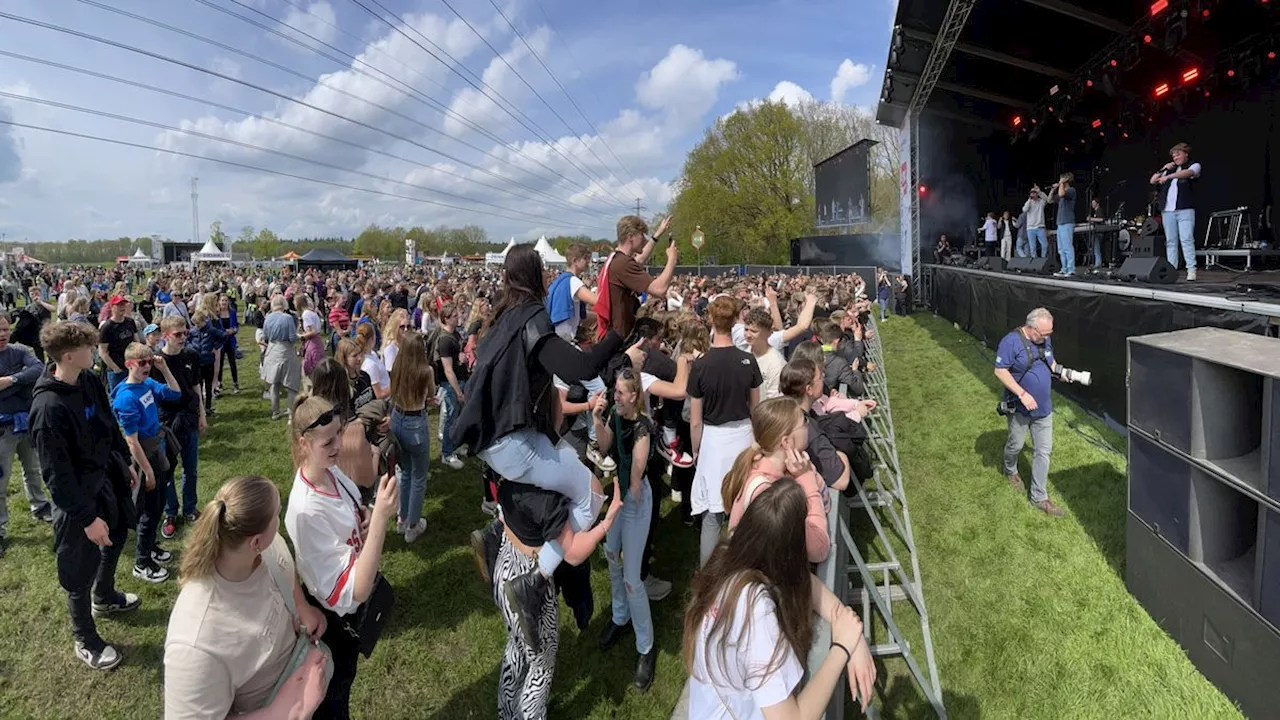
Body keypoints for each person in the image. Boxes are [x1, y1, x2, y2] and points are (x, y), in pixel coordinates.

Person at [452, 245, 625, 653]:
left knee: (547, 482)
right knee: (592, 492)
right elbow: (581, 369)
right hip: (513, 445)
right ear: (537, 276)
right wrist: (616, 333)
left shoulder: (500, 319)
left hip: (492, 446)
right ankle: (534, 582)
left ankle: (497, 533)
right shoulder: (531, 319)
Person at [684, 478, 876, 718]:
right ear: (791, 552)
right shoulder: (756, 613)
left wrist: (842, 620)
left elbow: (806, 581)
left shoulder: (730, 557)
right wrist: (842, 648)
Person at [164, 475, 330, 720]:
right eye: (277, 513)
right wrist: (278, 713)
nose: (281, 518)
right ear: (255, 541)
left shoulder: (267, 546)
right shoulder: (196, 643)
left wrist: (301, 605)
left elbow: (283, 568)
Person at [30, 320, 140, 670]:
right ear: (68, 356)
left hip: (107, 478)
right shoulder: (48, 409)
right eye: (89, 348)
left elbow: (108, 423)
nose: (95, 352)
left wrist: (125, 461)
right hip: (76, 498)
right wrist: (87, 518)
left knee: (119, 534)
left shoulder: (89, 380)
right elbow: (56, 478)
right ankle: (85, 638)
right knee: (78, 570)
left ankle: (105, 596)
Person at [285, 395, 399, 719]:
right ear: (304, 443)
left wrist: (364, 518)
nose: (338, 445)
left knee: (342, 690)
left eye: (339, 434)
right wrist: (379, 520)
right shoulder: (306, 511)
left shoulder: (331, 472)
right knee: (331, 702)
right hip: (333, 623)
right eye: (327, 441)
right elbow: (355, 591)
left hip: (347, 615)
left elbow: (353, 512)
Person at [590, 370, 659, 690]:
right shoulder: (616, 417)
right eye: (614, 392)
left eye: (620, 393)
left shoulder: (643, 426)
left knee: (633, 578)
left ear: (634, 396)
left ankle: (646, 647)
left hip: (635, 499)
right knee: (610, 554)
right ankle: (620, 617)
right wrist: (597, 421)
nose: (614, 397)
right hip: (619, 496)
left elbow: (638, 467)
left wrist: (630, 487)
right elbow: (605, 449)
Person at [993, 308, 1087, 517]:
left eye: (1049, 334)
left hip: (1044, 408)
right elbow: (1000, 371)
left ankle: (1039, 497)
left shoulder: (1044, 340)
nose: (1047, 338)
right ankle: (1010, 469)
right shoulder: (1011, 342)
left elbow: (1051, 363)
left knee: (1043, 451)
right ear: (1032, 328)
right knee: (1015, 444)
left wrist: (1062, 373)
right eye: (1044, 334)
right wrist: (1022, 394)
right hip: (1019, 406)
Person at [690, 296, 762, 567]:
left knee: (712, 514)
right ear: (735, 321)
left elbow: (695, 420)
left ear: (710, 319)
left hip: (714, 439)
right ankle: (744, 568)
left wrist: (696, 448)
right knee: (742, 506)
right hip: (743, 435)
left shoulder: (701, 365)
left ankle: (707, 577)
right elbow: (756, 408)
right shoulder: (748, 360)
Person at [722, 396, 830, 563]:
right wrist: (806, 478)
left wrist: (808, 470)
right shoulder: (767, 491)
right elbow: (819, 548)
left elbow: (826, 503)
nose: (808, 425)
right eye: (804, 422)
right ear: (786, 442)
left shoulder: (776, 468)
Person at [110, 342, 181, 584]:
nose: (148, 366)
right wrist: (148, 473)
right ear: (129, 364)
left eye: (150, 361)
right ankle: (141, 562)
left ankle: (150, 546)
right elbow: (132, 442)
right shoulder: (126, 398)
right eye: (143, 363)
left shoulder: (147, 384)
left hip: (156, 450)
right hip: (143, 457)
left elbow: (175, 393)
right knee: (149, 511)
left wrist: (164, 368)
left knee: (159, 504)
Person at [0, 314, 52, 557]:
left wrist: (11, 380)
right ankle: (0, 528)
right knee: (1, 480)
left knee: (33, 468)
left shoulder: (18, 350)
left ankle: (39, 505)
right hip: (3, 428)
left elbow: (39, 368)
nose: (2, 334)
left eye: (4, 329)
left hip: (26, 422)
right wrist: (22, 384)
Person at [155, 315, 206, 540]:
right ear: (165, 335)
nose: (183, 337)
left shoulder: (191, 355)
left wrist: (202, 414)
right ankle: (170, 512)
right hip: (166, 422)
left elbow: (196, 385)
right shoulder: (156, 362)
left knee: (190, 467)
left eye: (185, 333)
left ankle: (189, 508)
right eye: (178, 334)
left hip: (189, 417)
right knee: (166, 470)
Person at [595, 214, 678, 340]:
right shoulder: (623, 264)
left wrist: (658, 234)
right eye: (642, 236)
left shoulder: (616, 259)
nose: (645, 240)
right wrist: (672, 259)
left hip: (612, 336)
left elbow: (639, 259)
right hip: (619, 341)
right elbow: (659, 289)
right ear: (631, 237)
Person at [389, 332, 435, 543]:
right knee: (418, 476)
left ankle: (402, 518)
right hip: (415, 422)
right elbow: (431, 395)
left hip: (397, 418)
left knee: (405, 472)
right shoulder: (425, 371)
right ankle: (413, 525)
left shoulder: (397, 368)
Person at [1150, 141, 1201, 281]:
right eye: (1173, 155)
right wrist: (1163, 169)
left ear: (1186, 154)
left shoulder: (1193, 165)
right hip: (1168, 210)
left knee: (1186, 239)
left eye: (1178, 154)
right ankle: (1171, 270)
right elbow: (1153, 180)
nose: (1175, 157)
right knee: (1171, 241)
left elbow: (1189, 173)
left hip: (1185, 209)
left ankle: (1191, 269)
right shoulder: (1169, 169)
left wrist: (1169, 177)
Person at [434, 301, 467, 470]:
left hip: (461, 379)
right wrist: (458, 391)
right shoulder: (445, 340)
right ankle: (447, 453)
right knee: (450, 419)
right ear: (446, 319)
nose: (458, 318)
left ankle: (456, 444)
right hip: (451, 384)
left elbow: (457, 356)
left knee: (458, 417)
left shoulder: (456, 335)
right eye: (454, 316)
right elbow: (447, 369)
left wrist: (462, 357)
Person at [261, 295, 302, 421]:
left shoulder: (267, 318)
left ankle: (275, 411)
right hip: (286, 350)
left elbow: (266, 335)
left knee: (274, 383)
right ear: (284, 305)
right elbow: (292, 337)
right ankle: (291, 413)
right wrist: (299, 335)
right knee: (291, 384)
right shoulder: (288, 318)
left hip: (272, 350)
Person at [547, 243, 597, 342]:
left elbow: (577, 314)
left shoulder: (561, 280)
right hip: (565, 337)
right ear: (575, 261)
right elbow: (597, 300)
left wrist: (596, 317)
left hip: (557, 333)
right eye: (586, 258)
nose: (588, 262)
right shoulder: (573, 281)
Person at [98, 295, 137, 391]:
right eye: (119, 305)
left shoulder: (130, 322)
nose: (122, 307)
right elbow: (102, 351)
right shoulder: (107, 327)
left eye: (124, 304)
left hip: (131, 366)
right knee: (117, 396)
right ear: (112, 307)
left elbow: (136, 342)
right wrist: (115, 369)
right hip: (116, 369)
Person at [1047, 172, 1078, 277]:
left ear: (1066, 180)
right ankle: (1064, 269)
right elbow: (1049, 200)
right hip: (1060, 223)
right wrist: (1052, 189)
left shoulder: (1071, 191)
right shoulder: (1061, 191)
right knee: (1061, 248)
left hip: (1068, 222)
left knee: (1067, 247)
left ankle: (1071, 269)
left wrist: (1060, 184)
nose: (1060, 181)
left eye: (1062, 179)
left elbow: (1061, 194)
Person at [356, 322, 389, 401]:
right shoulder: (370, 365)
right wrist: (395, 387)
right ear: (372, 338)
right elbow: (378, 395)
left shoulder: (372, 354)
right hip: (385, 403)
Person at [216, 293, 241, 394]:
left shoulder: (232, 312)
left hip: (230, 341)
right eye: (222, 300)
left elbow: (236, 325)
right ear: (219, 302)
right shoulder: (216, 314)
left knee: (232, 363)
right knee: (220, 363)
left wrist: (234, 330)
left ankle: (235, 383)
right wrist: (224, 332)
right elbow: (216, 327)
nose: (224, 302)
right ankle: (219, 383)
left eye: (226, 300)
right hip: (220, 342)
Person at [297, 293, 324, 376]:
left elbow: (313, 331)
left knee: (313, 367)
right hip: (317, 342)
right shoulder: (311, 312)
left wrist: (301, 336)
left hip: (313, 343)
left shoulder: (306, 314)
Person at [1023, 186, 1048, 259]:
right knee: (1032, 247)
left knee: (1045, 245)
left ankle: (1043, 260)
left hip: (1040, 227)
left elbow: (1047, 199)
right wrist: (1029, 200)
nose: (1033, 194)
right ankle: (1035, 261)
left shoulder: (1041, 202)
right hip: (1030, 228)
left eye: (1034, 192)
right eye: (1031, 193)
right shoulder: (1029, 202)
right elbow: (1024, 210)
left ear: (1037, 194)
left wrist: (1040, 192)